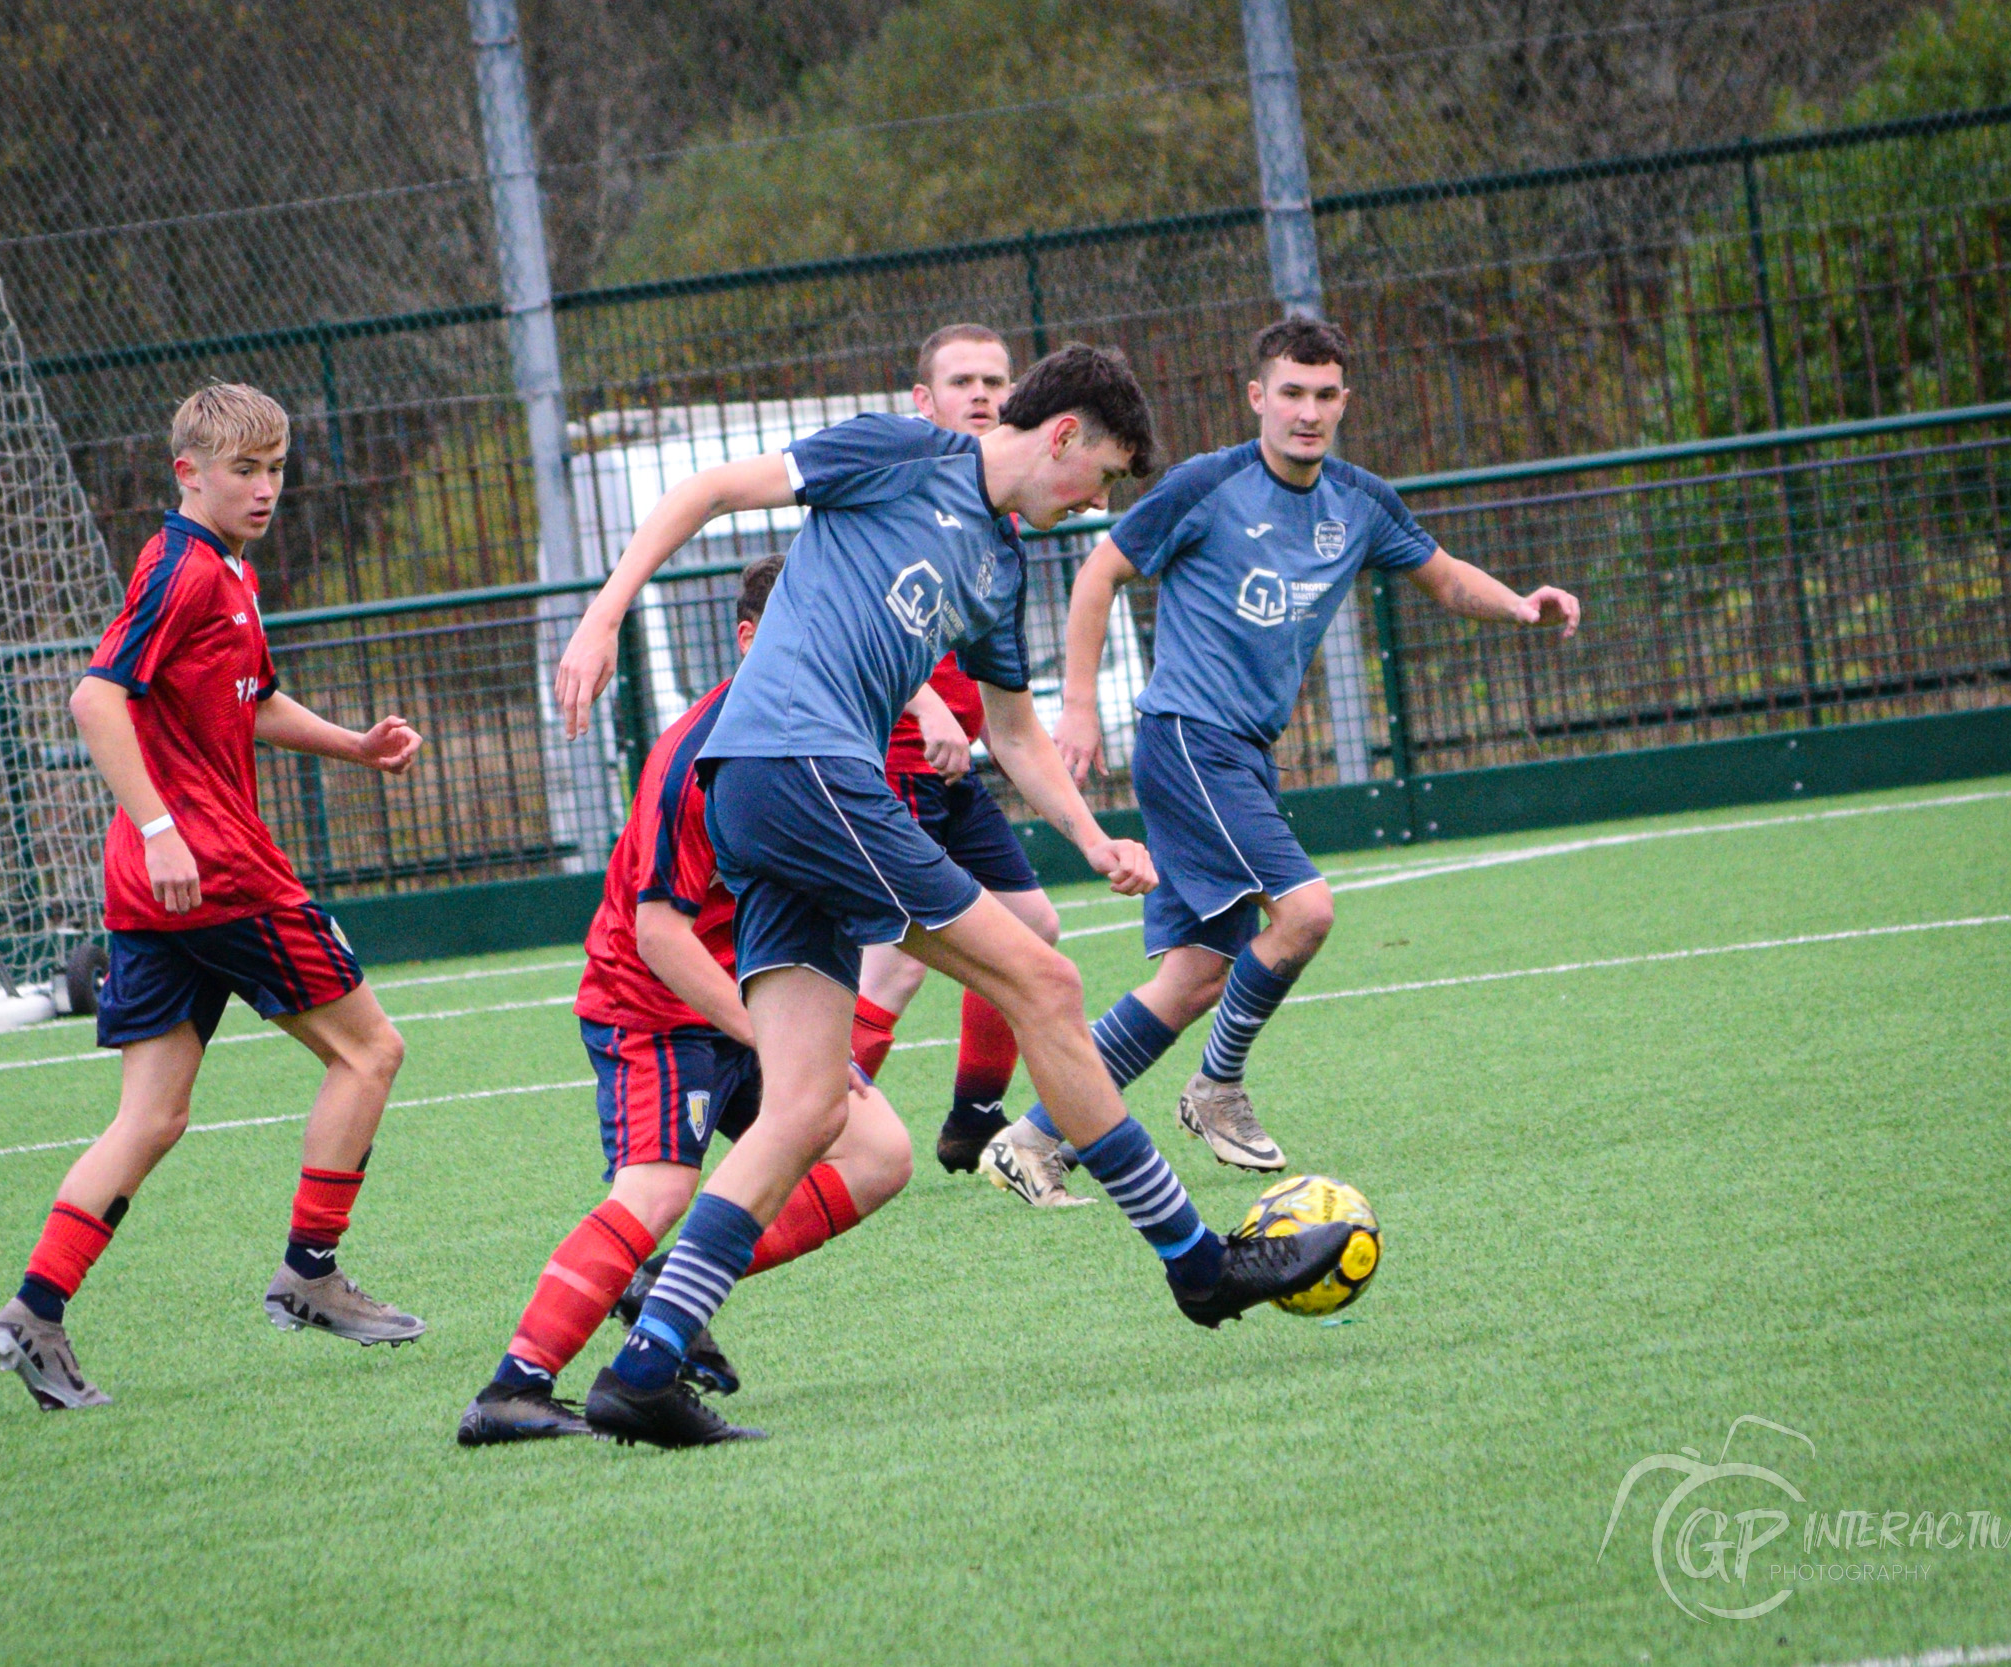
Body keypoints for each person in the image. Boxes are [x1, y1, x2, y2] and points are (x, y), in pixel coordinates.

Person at [554, 343, 1358, 1447]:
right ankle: (1194, 1261)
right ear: (1064, 433)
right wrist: (605, 612)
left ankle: (642, 1368)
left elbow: (1014, 732)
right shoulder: (898, 452)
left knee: (802, 1106)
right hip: (797, 767)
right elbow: (702, 489)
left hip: (782, 793)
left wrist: (1090, 837)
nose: (1091, 504)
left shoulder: (999, 566)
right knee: (1044, 977)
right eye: (1098, 476)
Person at [982, 317, 1582, 1203]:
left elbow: (1445, 576)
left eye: (1324, 395)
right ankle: (1216, 1088)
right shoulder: (1206, 486)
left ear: (1344, 401)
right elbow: (1098, 571)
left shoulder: (1359, 502)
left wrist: (1522, 607)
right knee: (1304, 912)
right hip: (1189, 738)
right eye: (1290, 393)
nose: (1307, 412)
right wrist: (1076, 706)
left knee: (1193, 980)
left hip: (1244, 755)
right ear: (1258, 396)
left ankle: (1031, 1139)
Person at [0, 383, 427, 1411]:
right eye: (244, 469)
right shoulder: (182, 568)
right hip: (211, 867)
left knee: (152, 1114)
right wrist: (163, 824)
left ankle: (34, 1311)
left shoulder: (226, 570)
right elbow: (95, 697)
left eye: (275, 468)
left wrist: (353, 745)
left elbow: (250, 699)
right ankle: (310, 1272)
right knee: (371, 1050)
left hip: (156, 889)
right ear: (188, 473)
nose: (265, 487)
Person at [458, 556, 911, 1446]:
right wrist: (777, 1038)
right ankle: (513, 1388)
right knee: (659, 1186)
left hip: (750, 996)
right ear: (749, 641)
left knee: (880, 1154)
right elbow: (661, 935)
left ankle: (668, 1283)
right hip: (655, 1003)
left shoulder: (826, 733)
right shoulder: (696, 753)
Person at [848, 324, 1073, 1191]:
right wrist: (922, 694)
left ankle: (973, 1119)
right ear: (922, 401)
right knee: (896, 961)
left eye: (995, 380)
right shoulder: (904, 481)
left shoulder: (1005, 505)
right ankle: (819, 1126)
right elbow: (840, 606)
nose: (981, 394)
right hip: (888, 763)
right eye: (961, 380)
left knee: (1033, 928)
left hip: (957, 770)